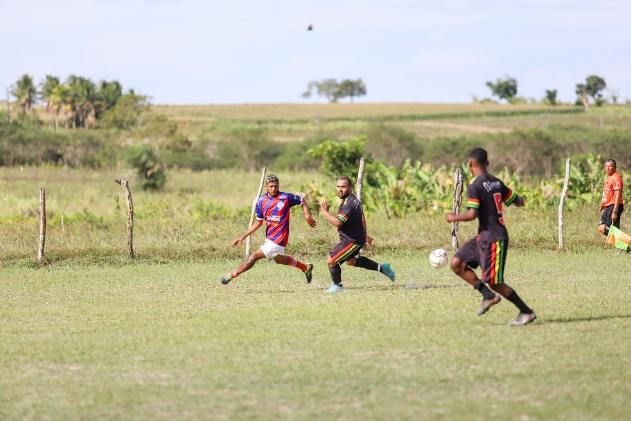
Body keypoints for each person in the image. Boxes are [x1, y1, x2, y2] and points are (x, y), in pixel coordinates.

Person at [445, 148, 536, 326]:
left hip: (495, 238)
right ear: (487, 163)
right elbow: (517, 200)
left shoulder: (474, 184)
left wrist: (453, 217)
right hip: (483, 237)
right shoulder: (496, 181)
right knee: (457, 264)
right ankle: (487, 296)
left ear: (471, 164)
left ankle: (526, 312)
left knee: (494, 282)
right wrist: (521, 200)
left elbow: (472, 214)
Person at [220, 174, 316, 285]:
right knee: (279, 260)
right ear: (266, 186)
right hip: (270, 237)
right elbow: (258, 222)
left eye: (276, 186)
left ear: (279, 185)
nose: (274, 188)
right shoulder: (261, 201)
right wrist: (243, 236)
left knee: (253, 257)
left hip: (279, 238)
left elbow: (302, 201)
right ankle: (305, 268)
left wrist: (307, 216)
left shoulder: (285, 198)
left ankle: (231, 275)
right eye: (271, 186)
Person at [320, 176, 395, 293]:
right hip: (356, 238)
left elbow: (338, 222)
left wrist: (325, 211)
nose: (340, 189)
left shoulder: (349, 204)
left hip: (352, 241)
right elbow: (362, 218)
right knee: (351, 261)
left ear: (350, 188)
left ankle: (338, 286)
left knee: (331, 260)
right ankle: (383, 268)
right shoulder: (353, 200)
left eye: (343, 187)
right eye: (338, 186)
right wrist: (365, 234)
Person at [598, 158, 624, 238]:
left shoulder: (616, 178)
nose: (607, 168)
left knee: (603, 228)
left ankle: (625, 245)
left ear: (615, 167)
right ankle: (624, 247)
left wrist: (615, 211)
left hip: (614, 206)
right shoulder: (609, 177)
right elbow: (609, 193)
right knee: (612, 228)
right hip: (609, 206)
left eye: (610, 166)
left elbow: (618, 196)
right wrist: (604, 204)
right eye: (606, 166)